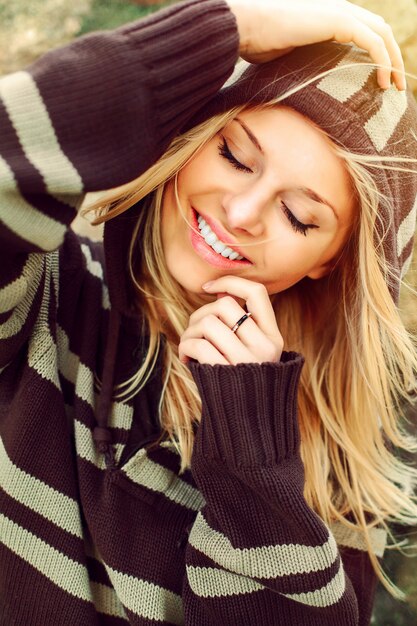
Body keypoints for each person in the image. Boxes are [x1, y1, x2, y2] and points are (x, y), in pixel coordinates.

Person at [0, 0, 416, 624]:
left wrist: (252, 455)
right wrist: (227, 28)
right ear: (195, 138)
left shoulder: (334, 465)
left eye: (299, 216)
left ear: (331, 261)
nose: (243, 213)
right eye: (234, 156)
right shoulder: (46, 286)